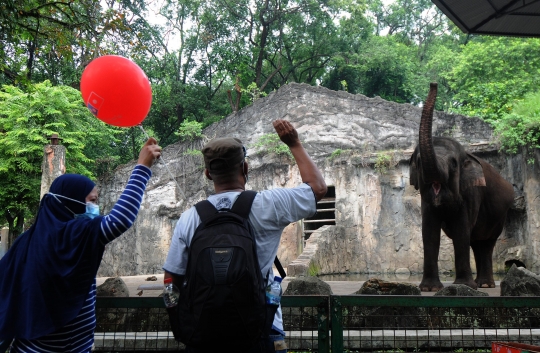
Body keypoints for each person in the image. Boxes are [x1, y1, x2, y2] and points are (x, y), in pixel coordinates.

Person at [163, 119, 327, 353]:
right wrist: (294, 143)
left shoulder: (189, 218)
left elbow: (171, 281)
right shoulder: (270, 204)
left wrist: (181, 323)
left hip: (205, 335)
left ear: (208, 174)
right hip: (263, 329)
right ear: (245, 168)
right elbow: (318, 188)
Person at [0, 137, 162, 352]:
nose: (96, 207)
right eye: (92, 201)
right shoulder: (73, 234)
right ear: (70, 203)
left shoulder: (27, 242)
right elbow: (120, 220)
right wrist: (142, 167)